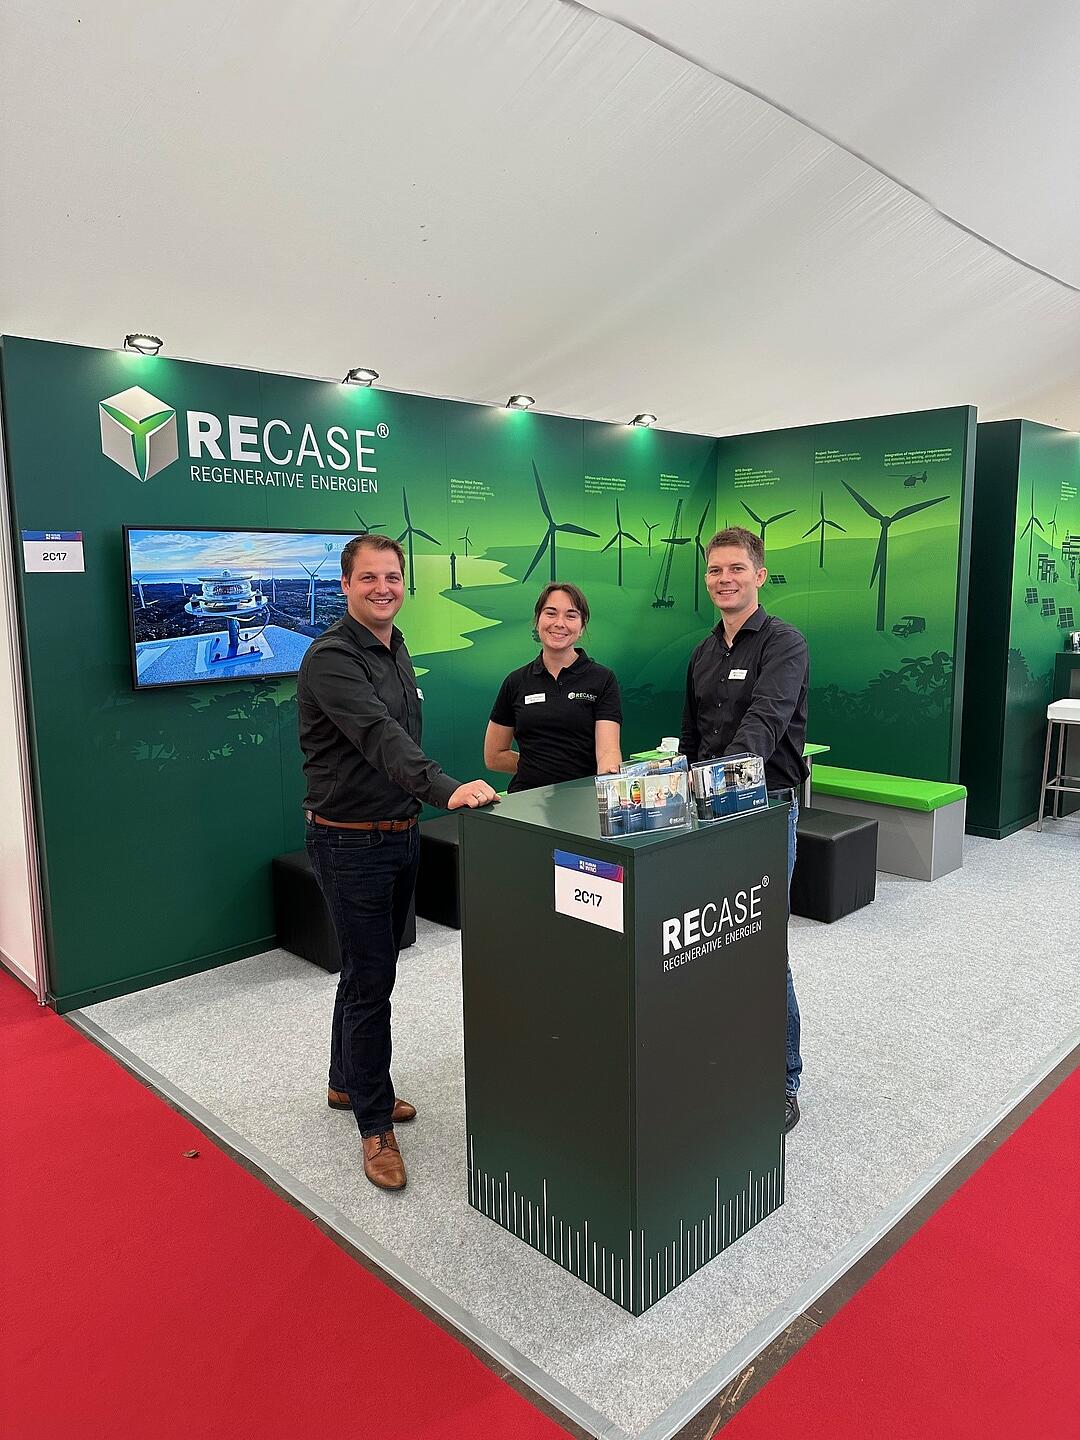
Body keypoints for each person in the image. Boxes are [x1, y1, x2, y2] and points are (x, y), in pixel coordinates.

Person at [297, 534, 498, 1192]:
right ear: (346, 584)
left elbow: (396, 735)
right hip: (349, 841)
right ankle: (374, 1123)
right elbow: (380, 737)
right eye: (369, 578)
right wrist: (445, 788)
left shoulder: (394, 645)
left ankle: (344, 1084)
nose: (384, 588)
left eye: (393, 577)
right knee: (372, 981)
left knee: (364, 974)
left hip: (397, 833)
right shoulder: (331, 658)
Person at [680, 525, 808, 1133]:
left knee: (762, 944)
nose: (725, 579)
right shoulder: (704, 652)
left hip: (763, 809)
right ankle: (720, 1059)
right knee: (706, 942)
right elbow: (690, 735)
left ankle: (783, 1079)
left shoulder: (784, 643)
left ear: (759, 574)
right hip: (705, 813)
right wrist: (681, 791)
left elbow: (765, 723)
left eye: (736, 568)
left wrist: (720, 786)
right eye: (715, 570)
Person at [483, 582, 622, 791]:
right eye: (551, 613)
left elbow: (608, 752)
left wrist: (608, 779)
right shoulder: (515, 681)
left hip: (581, 802)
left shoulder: (602, 679)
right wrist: (538, 768)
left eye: (571, 615)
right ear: (537, 620)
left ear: (582, 627)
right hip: (526, 801)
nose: (559, 623)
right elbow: (494, 756)